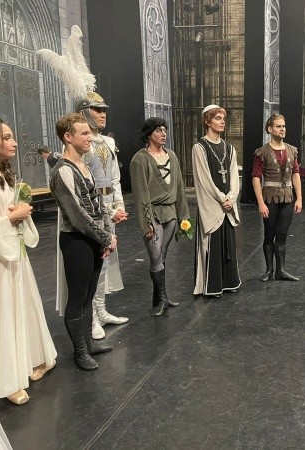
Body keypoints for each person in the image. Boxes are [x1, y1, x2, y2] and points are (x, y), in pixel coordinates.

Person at [0, 118, 56, 405]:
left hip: (12, 253)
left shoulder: (2, 174)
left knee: (20, 307)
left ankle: (24, 361)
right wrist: (11, 218)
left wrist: (18, 212)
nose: (14, 143)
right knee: (1, 312)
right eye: (6, 137)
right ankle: (5, 380)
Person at [61, 92, 129, 340]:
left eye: (104, 110)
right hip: (90, 208)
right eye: (97, 109)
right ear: (84, 112)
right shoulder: (78, 144)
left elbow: (114, 177)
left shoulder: (108, 142)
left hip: (108, 204)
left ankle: (100, 310)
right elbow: (83, 184)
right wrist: (107, 210)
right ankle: (91, 318)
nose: (103, 114)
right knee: (93, 264)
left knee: (106, 260)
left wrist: (118, 204)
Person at [50, 113, 115, 370]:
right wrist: (105, 237)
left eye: (89, 132)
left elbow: (99, 205)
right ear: (68, 137)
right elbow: (77, 216)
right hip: (77, 241)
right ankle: (80, 351)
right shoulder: (63, 170)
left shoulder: (84, 166)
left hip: (93, 238)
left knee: (89, 295)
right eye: (84, 133)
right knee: (77, 298)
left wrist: (107, 234)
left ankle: (89, 343)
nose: (90, 137)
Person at [130, 118, 190, 316]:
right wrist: (146, 223)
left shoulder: (171, 156)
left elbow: (179, 187)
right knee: (155, 256)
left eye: (164, 130)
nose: (163, 134)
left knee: (162, 255)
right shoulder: (140, 159)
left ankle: (159, 299)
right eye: (158, 130)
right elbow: (141, 194)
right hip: (153, 213)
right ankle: (162, 299)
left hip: (170, 213)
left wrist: (184, 216)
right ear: (149, 134)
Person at [192, 104, 241, 297]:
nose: (222, 122)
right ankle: (212, 286)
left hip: (227, 204)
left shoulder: (229, 148)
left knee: (228, 242)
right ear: (207, 121)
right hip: (212, 204)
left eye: (223, 118)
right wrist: (222, 198)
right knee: (212, 243)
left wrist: (232, 198)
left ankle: (229, 282)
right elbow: (203, 179)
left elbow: (234, 176)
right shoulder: (199, 148)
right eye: (217, 118)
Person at [252, 113, 302, 281]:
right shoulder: (262, 152)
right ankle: (269, 270)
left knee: (282, 235)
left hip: (287, 198)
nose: (282, 129)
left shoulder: (292, 150)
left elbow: (295, 174)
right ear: (270, 129)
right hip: (270, 199)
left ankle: (281, 270)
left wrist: (299, 198)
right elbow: (256, 177)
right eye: (278, 126)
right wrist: (261, 203)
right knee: (269, 235)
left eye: (284, 126)